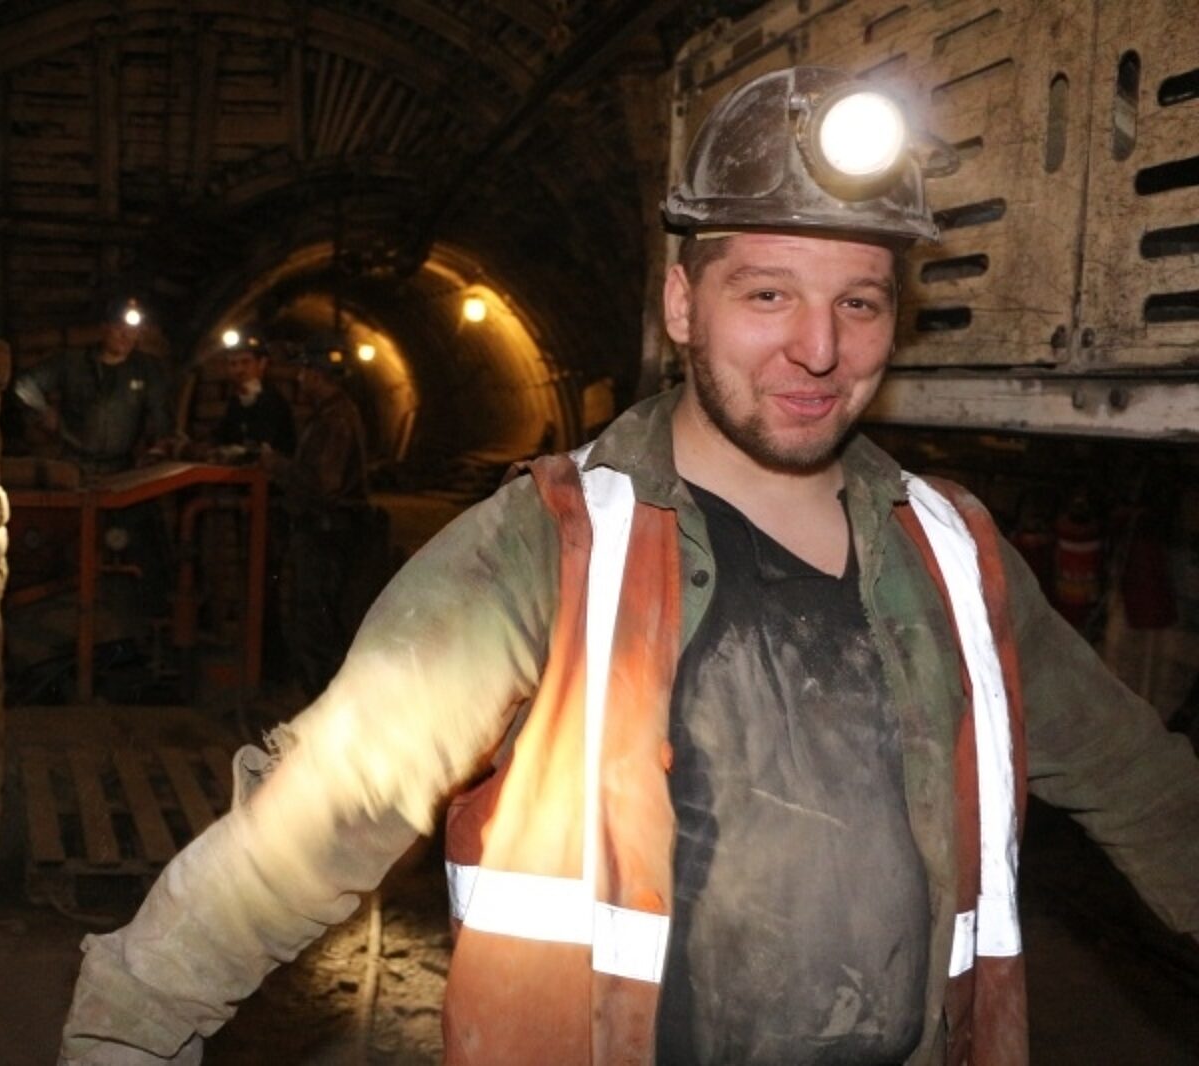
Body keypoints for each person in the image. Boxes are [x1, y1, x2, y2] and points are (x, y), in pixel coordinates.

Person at [59, 66, 1199, 1065]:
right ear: (680, 305)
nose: (818, 347)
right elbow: (323, 808)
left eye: (858, 302)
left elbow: (1143, 786)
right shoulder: (552, 545)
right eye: (768, 293)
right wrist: (128, 1024)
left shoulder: (952, 554)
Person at [262, 342, 368, 698]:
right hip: (325, 532)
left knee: (317, 622)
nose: (299, 379)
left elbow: (324, 484)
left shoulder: (335, 419)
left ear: (318, 376)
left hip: (326, 534)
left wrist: (277, 465)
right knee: (318, 619)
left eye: (304, 372)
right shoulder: (330, 413)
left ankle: (325, 702)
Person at [12, 296, 174, 475]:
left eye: (132, 329)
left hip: (123, 468)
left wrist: (159, 445)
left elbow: (160, 412)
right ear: (104, 328)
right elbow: (24, 384)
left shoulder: (146, 368)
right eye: (118, 327)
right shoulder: (73, 362)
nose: (126, 335)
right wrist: (42, 410)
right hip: (74, 465)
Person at [212, 338, 297, 458]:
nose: (239, 370)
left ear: (262, 363)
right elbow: (222, 436)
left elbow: (264, 445)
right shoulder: (235, 401)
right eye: (233, 364)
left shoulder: (273, 401)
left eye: (246, 362)